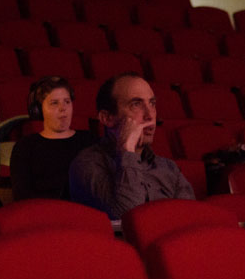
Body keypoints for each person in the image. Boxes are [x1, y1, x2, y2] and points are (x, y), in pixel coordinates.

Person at [69, 72, 194, 219]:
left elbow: (190, 220)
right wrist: (127, 150)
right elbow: (129, 218)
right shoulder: (87, 164)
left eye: (152, 104)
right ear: (107, 118)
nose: (150, 115)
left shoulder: (168, 168)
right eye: (136, 104)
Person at [10, 76, 95, 200]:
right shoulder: (26, 147)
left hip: (86, 214)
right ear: (39, 110)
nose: (63, 108)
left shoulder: (89, 141)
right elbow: (22, 196)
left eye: (67, 101)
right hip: (44, 215)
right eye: (54, 103)